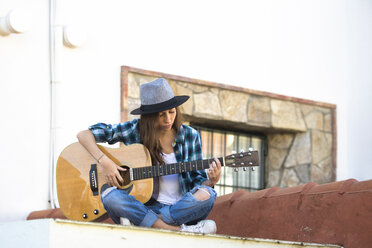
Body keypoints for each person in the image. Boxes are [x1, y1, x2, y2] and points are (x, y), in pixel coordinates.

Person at [77, 78, 222, 234]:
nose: (168, 119)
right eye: (161, 115)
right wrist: (105, 162)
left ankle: (145, 222)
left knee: (209, 194)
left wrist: (211, 180)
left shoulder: (190, 136)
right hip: (144, 206)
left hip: (180, 209)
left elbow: (197, 182)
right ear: (149, 116)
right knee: (110, 197)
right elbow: (84, 135)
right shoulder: (135, 130)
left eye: (172, 112)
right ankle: (181, 230)